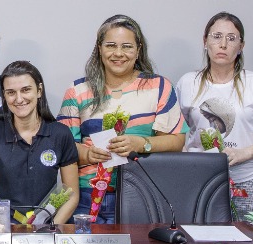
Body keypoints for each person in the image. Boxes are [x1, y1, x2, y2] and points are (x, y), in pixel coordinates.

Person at [58, 15, 185, 219]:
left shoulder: (159, 87)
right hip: (88, 196)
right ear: (99, 48)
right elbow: (63, 146)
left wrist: (141, 144)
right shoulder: (78, 90)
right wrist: (88, 154)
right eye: (111, 46)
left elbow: (177, 141)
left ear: (138, 50)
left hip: (143, 194)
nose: (118, 53)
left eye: (127, 46)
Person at [175, 12, 253, 216]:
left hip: (249, 182)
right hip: (199, 182)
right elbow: (176, 134)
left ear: (241, 46)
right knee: (198, 236)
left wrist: (246, 153)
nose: (223, 44)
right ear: (205, 41)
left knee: (251, 237)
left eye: (231, 38)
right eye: (216, 36)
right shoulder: (187, 83)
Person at [0, 60, 79, 224]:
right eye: (11, 92)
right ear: (4, 95)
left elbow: (71, 195)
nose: (19, 99)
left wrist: (50, 228)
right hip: (4, 226)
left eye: (26, 90)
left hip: (48, 225)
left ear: (39, 90)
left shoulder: (61, 134)